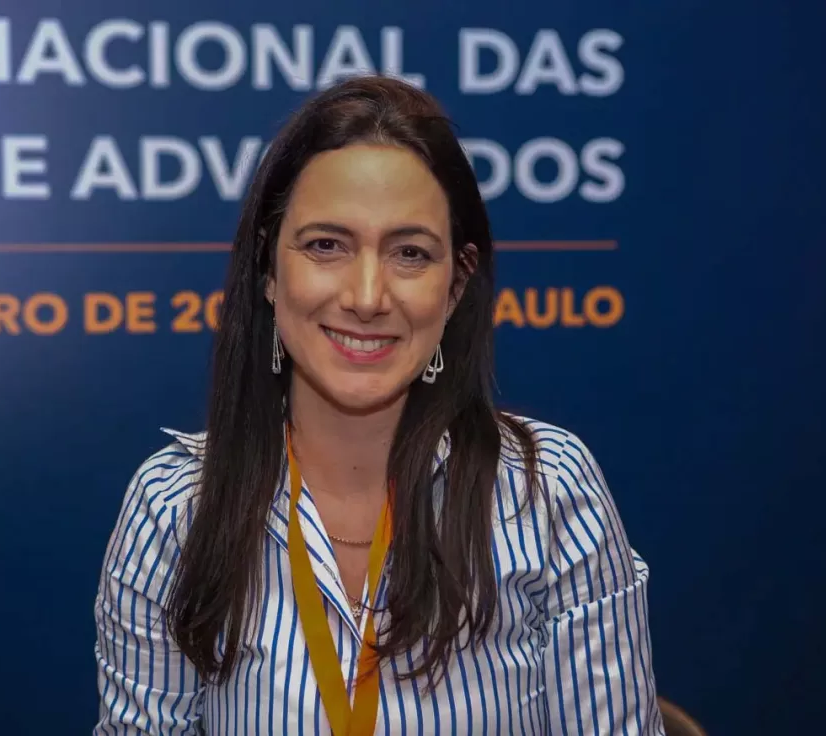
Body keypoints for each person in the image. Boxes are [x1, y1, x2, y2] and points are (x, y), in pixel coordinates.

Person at [92, 75, 665, 735]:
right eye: (326, 246)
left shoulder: (546, 492)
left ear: (455, 286)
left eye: (409, 253)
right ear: (268, 271)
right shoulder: (175, 509)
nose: (367, 296)